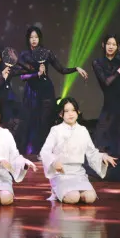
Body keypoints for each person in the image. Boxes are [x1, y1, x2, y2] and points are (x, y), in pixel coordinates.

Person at [16, 26, 87, 155]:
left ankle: (45, 152)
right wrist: (36, 74)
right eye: (31, 37)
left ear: (40, 38)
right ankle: (31, 152)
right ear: (28, 39)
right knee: (31, 122)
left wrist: (76, 68)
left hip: (46, 91)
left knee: (45, 122)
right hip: (31, 93)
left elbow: (61, 69)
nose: (34, 40)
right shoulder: (24, 55)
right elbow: (22, 76)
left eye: (36, 37)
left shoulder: (46, 52)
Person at [39, 97, 116, 204]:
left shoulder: (83, 130)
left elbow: (91, 152)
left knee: (90, 198)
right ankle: (57, 191)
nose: (70, 114)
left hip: (78, 173)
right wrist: (54, 162)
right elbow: (45, 151)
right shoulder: (56, 130)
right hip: (62, 174)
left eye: (73, 110)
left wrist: (103, 156)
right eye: (66, 111)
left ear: (78, 112)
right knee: (74, 197)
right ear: (61, 114)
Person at [91, 34, 120, 180]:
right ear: (103, 45)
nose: (111, 46)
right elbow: (107, 82)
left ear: (117, 47)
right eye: (108, 43)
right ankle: (100, 169)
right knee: (102, 134)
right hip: (109, 103)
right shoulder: (97, 62)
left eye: (114, 44)